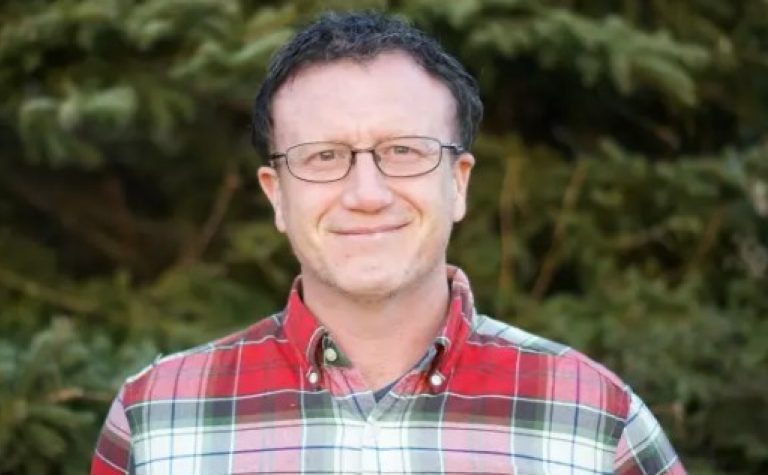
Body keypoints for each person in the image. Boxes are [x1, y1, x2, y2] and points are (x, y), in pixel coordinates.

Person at [91, 11, 685, 475]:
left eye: (403, 151)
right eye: (324, 156)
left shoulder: (593, 417)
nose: (367, 193)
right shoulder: (158, 418)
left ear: (458, 183)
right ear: (276, 195)